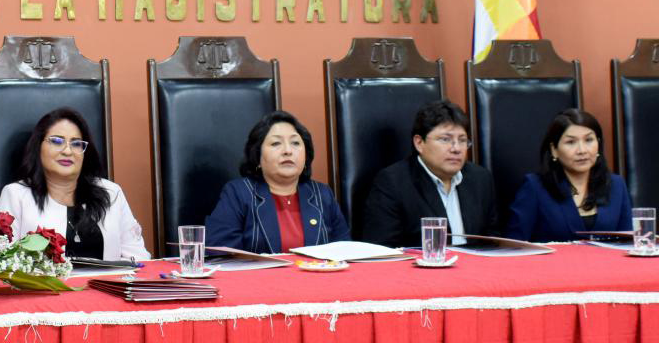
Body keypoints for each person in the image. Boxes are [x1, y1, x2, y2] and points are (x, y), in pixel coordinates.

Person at [0, 107, 149, 261]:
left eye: (76, 144)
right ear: (38, 147)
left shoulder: (111, 193)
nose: (68, 151)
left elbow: (138, 259)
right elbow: (2, 261)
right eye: (56, 141)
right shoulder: (16, 195)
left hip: (108, 284)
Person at [205, 110, 349, 253]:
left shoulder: (322, 195)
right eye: (275, 143)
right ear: (258, 156)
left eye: (295, 143)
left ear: (306, 156)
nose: (288, 150)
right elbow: (220, 252)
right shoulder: (238, 194)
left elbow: (345, 253)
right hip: (258, 276)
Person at [362, 99, 497, 247]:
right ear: (419, 143)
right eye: (446, 139)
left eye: (463, 140)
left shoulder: (480, 179)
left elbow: (492, 242)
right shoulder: (393, 183)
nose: (456, 148)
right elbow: (382, 250)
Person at [505, 108, 632, 242]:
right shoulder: (535, 187)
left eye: (589, 140)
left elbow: (628, 244)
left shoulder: (616, 185)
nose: (582, 150)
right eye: (571, 142)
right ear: (554, 150)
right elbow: (514, 246)